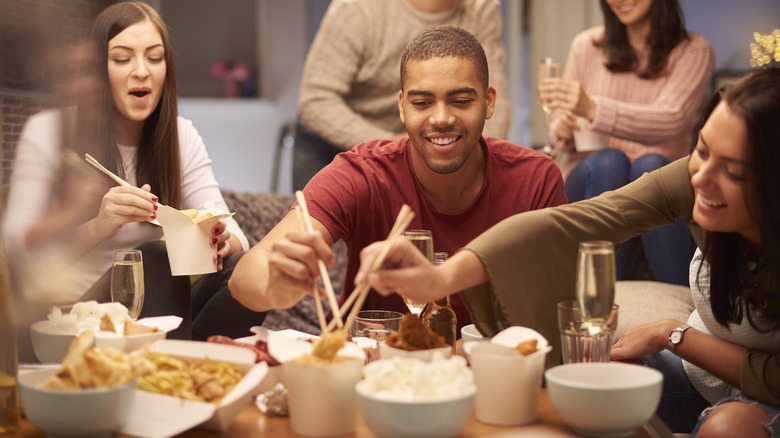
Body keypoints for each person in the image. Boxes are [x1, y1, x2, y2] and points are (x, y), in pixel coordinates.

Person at [357, 67, 780, 437]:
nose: (702, 179)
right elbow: (579, 222)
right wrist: (442, 279)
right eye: (701, 151)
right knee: (583, 391)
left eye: (733, 172)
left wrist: (674, 334)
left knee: (730, 428)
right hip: (698, 379)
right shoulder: (695, 181)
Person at [229, 25, 567, 334]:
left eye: (461, 101)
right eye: (422, 103)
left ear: (489, 102)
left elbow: (557, 308)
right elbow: (247, 273)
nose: (442, 118)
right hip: (371, 374)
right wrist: (274, 283)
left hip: (490, 375)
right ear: (403, 107)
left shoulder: (535, 178)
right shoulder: (362, 173)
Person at [2, 1, 265, 342]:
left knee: (249, 271)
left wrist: (218, 237)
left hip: (152, 317)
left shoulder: (180, 134)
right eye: (122, 58)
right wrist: (98, 226)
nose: (142, 71)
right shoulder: (51, 130)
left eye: (154, 58)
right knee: (154, 257)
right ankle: (175, 372)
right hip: (73, 318)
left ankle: (187, 367)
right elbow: (15, 250)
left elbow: (233, 232)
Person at [538, 0, 715, 286]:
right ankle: (600, 298)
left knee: (653, 165)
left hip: (658, 172)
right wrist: (561, 127)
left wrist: (594, 109)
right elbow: (558, 124)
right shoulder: (587, 45)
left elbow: (672, 119)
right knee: (610, 160)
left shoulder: (693, 51)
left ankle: (682, 305)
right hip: (591, 172)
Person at [293, 0, 511, 190]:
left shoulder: (482, 8)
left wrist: (480, 154)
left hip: (417, 145)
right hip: (332, 146)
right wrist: (391, 145)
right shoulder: (357, 9)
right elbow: (316, 99)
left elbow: (492, 96)